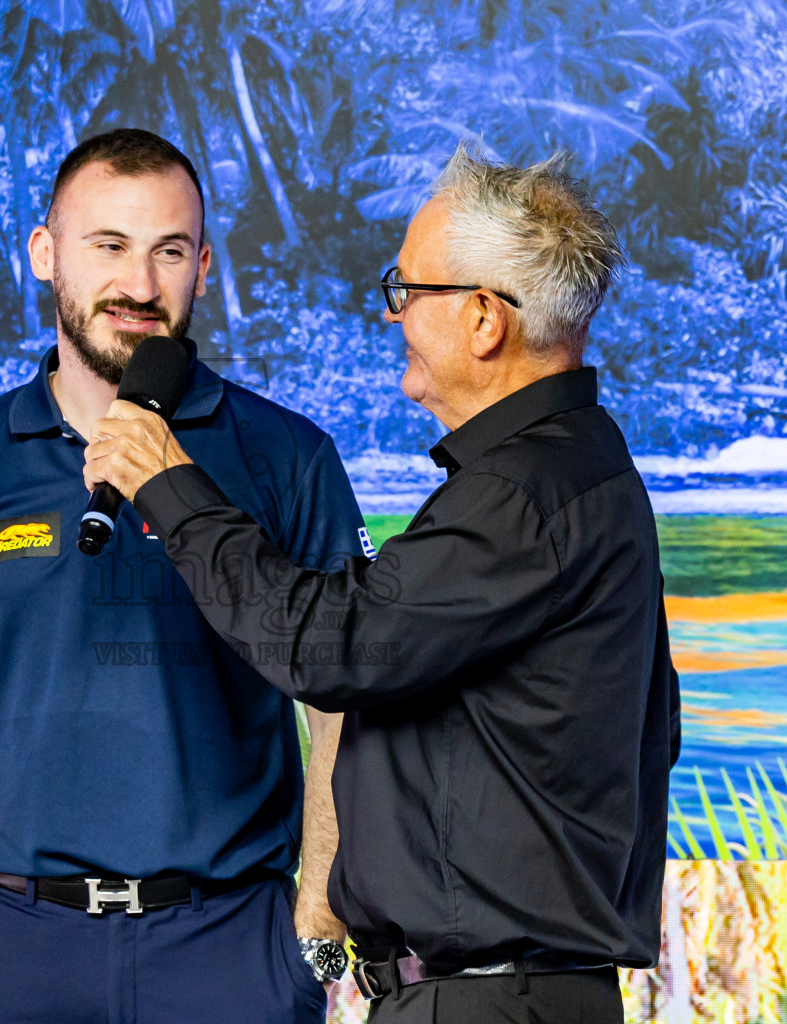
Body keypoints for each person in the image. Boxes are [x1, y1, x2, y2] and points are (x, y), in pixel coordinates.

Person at [83, 143, 681, 1024]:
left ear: (484, 320)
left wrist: (168, 482)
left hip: (485, 1004)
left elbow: (334, 647)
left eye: (407, 292)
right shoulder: (565, 476)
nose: (394, 316)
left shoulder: (522, 495)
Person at [0, 128, 366, 1024]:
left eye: (168, 252)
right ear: (45, 255)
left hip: (229, 948)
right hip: (9, 945)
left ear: (203, 268)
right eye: (110, 247)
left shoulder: (287, 456)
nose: (140, 285)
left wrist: (316, 928)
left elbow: (343, 707)